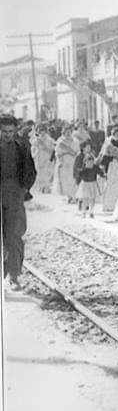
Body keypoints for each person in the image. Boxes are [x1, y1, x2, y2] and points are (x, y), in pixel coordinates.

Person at [1, 115, 37, 290]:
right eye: (3, 131)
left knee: (15, 236)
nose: (7, 135)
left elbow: (31, 171)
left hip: (15, 198)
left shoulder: (21, 149)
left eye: (10, 131)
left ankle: (13, 276)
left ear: (15, 130)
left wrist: (24, 188)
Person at [73, 141, 104, 218]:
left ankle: (91, 211)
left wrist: (103, 175)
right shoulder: (81, 161)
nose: (90, 163)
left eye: (89, 147)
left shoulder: (94, 165)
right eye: (87, 147)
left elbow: (99, 171)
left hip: (92, 183)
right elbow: (78, 172)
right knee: (85, 198)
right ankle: (83, 210)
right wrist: (77, 180)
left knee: (92, 198)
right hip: (85, 183)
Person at [53, 124, 79, 202]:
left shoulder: (75, 141)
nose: (68, 133)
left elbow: (77, 151)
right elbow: (57, 152)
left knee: (72, 179)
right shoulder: (60, 141)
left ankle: (73, 195)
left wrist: (73, 154)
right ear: (63, 132)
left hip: (73, 161)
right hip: (64, 162)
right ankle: (68, 196)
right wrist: (65, 153)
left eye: (69, 132)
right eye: (66, 132)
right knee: (65, 179)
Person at [30, 124, 56, 194]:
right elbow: (33, 148)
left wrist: (46, 148)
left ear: (46, 131)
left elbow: (53, 149)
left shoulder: (50, 139)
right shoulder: (36, 139)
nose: (42, 133)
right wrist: (35, 152)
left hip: (47, 157)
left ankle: (46, 187)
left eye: (43, 131)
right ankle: (40, 187)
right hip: (39, 157)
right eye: (40, 131)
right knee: (39, 172)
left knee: (47, 171)